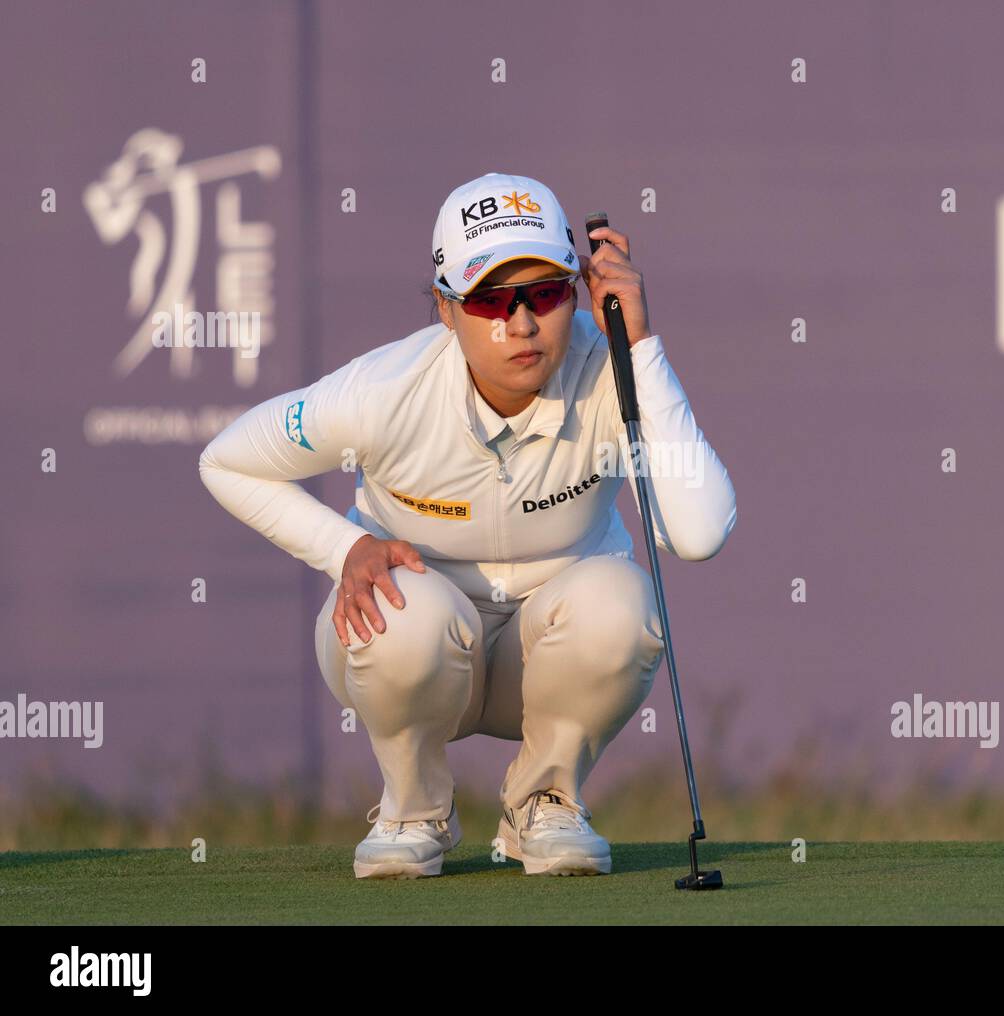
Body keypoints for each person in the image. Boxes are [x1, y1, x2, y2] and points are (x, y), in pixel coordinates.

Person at [198, 172, 737, 878]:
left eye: (544, 294)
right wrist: (345, 547)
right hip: (413, 649)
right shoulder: (382, 392)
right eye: (489, 300)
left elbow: (698, 532)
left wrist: (640, 348)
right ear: (446, 310)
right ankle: (414, 809)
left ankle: (545, 804)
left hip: (549, 656)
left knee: (624, 601)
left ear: (577, 292)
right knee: (397, 613)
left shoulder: (612, 368)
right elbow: (227, 460)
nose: (520, 324)